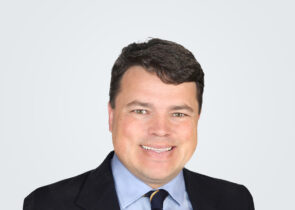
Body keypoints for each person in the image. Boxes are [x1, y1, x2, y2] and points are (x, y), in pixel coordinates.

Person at [23, 38, 255, 210]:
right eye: (141, 111)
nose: (160, 129)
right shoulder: (46, 204)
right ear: (111, 116)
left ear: (197, 119)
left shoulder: (235, 201)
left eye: (179, 114)